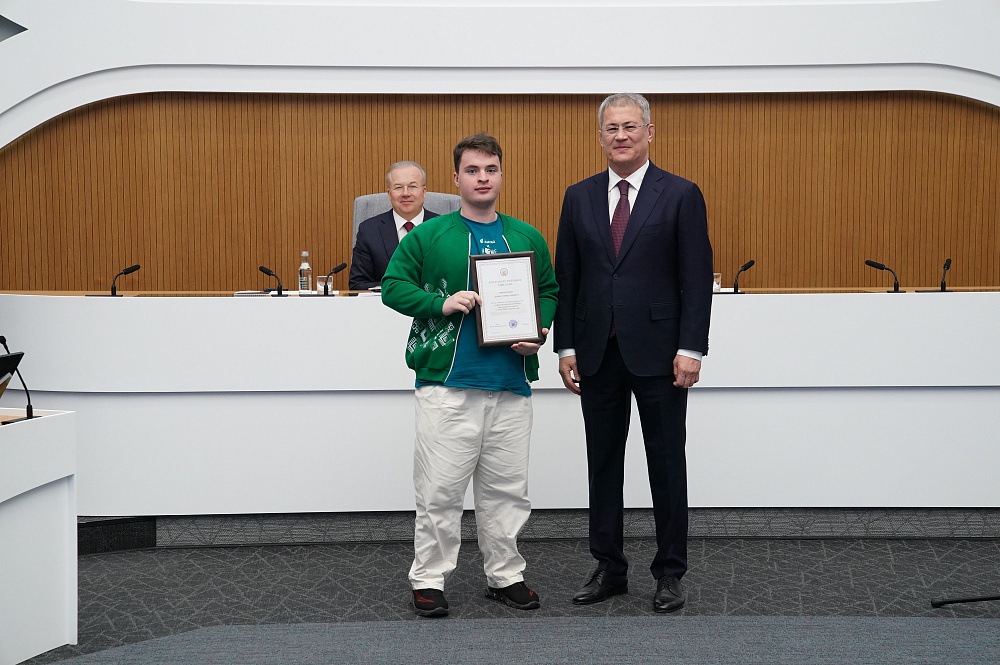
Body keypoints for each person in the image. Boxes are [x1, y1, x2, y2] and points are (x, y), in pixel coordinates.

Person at [382, 133, 559, 618]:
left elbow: (548, 289)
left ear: (501, 175)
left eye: (491, 170)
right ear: (456, 178)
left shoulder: (526, 236)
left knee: (507, 492)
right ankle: (428, 579)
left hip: (511, 384)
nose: (483, 178)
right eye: (473, 170)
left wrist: (539, 331)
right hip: (448, 386)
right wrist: (440, 303)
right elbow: (392, 286)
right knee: (439, 491)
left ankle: (505, 575)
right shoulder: (429, 236)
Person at [553, 93, 713, 613]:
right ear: (600, 137)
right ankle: (609, 567)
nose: (620, 136)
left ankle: (669, 573)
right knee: (602, 463)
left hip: (662, 355)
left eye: (630, 126)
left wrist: (691, 348)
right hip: (597, 352)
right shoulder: (578, 196)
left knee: (666, 463)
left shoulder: (681, 194)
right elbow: (569, 277)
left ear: (649, 132)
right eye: (611, 128)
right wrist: (566, 346)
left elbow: (696, 279)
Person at [348, 161, 440, 290]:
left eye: (413, 186)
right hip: (385, 302)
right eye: (398, 188)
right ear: (389, 194)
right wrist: (398, 290)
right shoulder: (369, 230)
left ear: (424, 192)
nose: (406, 193)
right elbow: (357, 285)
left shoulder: (443, 228)